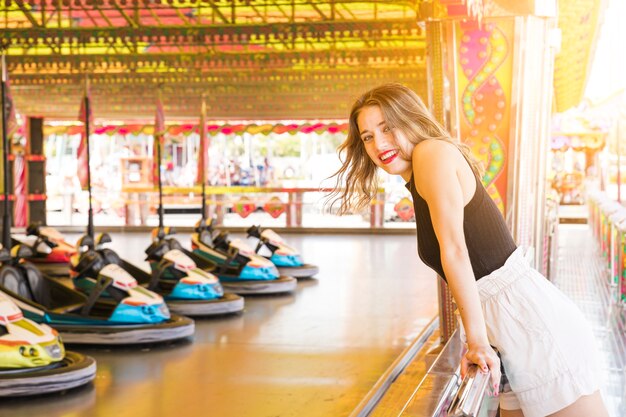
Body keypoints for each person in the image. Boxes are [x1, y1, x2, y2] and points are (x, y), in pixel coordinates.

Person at [328, 83, 608, 417]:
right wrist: (476, 336)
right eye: (368, 136)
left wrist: (476, 341)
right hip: (505, 330)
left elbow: (456, 251)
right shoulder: (419, 174)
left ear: (411, 119)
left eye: (387, 127)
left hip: (528, 324)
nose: (379, 144)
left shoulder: (430, 153)